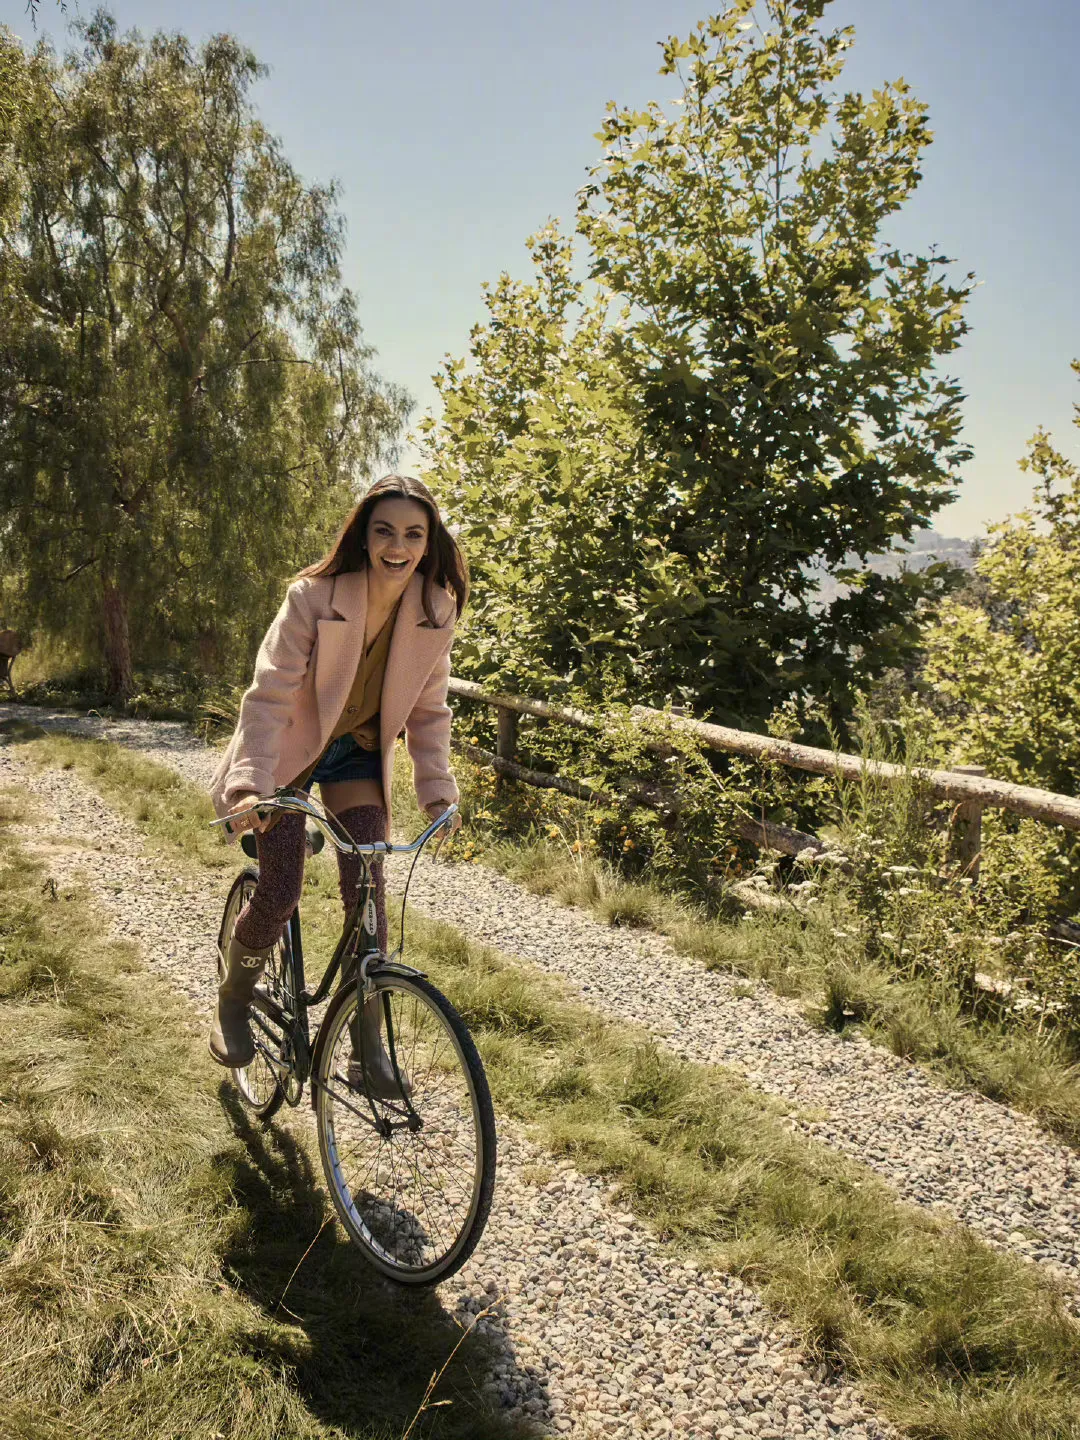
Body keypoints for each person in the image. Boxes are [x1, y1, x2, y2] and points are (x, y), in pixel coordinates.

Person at [207, 474, 467, 1094]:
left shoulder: (436, 608)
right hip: (290, 755)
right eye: (385, 531)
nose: (398, 547)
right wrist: (248, 785)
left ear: (429, 542)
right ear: (364, 536)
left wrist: (438, 791)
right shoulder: (313, 596)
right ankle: (233, 1000)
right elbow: (269, 694)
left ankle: (368, 1049)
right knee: (281, 889)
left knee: (368, 897)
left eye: (413, 534)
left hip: (357, 756)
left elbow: (429, 709)